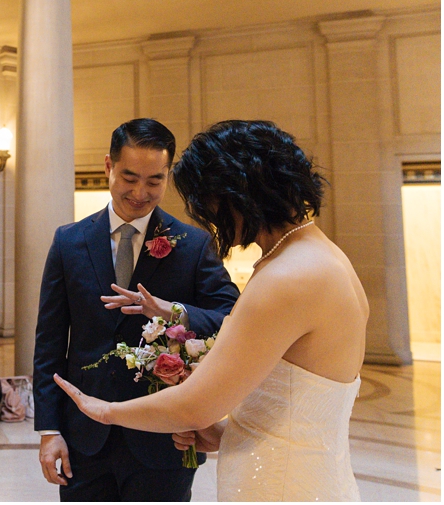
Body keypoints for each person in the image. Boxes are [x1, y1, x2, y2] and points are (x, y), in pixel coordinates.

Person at [56, 120, 369, 501]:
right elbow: (298, 408)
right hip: (307, 474)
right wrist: (227, 433)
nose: (207, 218)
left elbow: (197, 405)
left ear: (233, 195)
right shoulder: (324, 258)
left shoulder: (287, 277)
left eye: (207, 204)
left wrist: (105, 411)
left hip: (279, 484)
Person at [34, 118, 240, 501]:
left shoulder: (193, 244)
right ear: (108, 166)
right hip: (85, 435)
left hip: (165, 436)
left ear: (168, 175)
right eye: (129, 178)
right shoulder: (68, 242)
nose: (140, 193)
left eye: (154, 181)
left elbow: (233, 320)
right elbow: (49, 343)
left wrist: (171, 311)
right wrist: (49, 429)